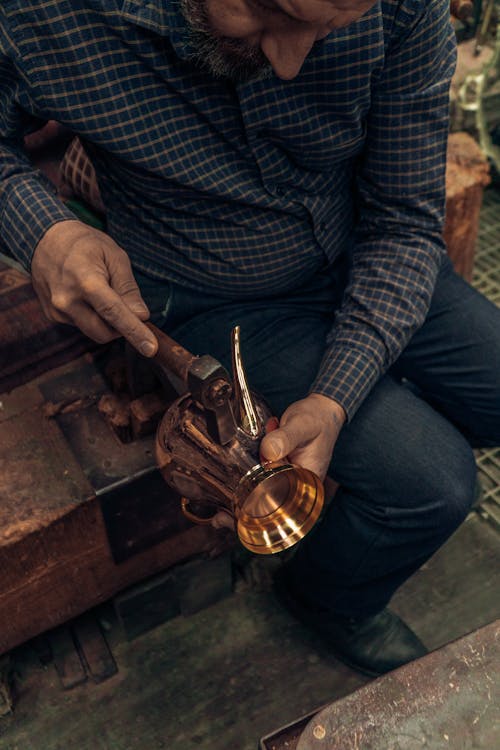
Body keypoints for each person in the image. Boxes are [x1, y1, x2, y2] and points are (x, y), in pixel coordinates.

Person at [1, 0, 499, 677]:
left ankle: (372, 443)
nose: (290, 64)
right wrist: (43, 232)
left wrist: (336, 397)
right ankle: (327, 596)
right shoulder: (45, 13)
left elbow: (402, 223)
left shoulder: (401, 5)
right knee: (433, 484)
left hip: (362, 246)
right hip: (217, 296)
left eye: (328, 30)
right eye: (266, 15)